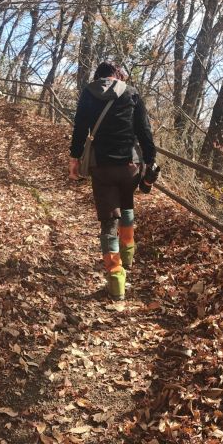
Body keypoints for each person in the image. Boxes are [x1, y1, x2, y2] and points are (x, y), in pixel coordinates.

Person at [69, 62, 158, 300]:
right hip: (131, 164)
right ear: (117, 75)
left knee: (109, 222)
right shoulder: (131, 93)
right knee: (127, 206)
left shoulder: (89, 93)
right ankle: (128, 254)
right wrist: (150, 159)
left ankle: (117, 279)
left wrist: (74, 158)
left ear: (98, 77)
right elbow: (144, 130)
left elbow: (79, 128)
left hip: (101, 166)